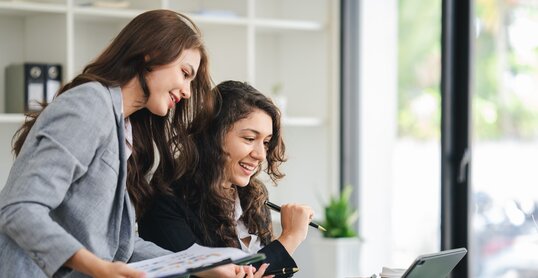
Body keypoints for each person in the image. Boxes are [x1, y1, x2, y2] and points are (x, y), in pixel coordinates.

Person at [0, 9, 219, 278]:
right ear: (150, 53)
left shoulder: (123, 130)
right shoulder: (90, 104)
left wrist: (201, 268)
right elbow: (20, 210)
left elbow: (118, 247)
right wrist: (96, 268)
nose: (186, 91)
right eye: (185, 73)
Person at [139, 80, 315, 277]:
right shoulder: (166, 201)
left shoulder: (254, 196)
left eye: (265, 143)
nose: (261, 154)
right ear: (212, 134)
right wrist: (290, 237)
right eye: (249, 139)